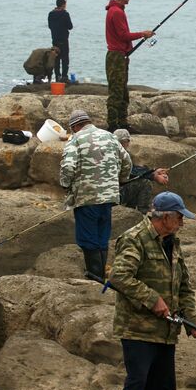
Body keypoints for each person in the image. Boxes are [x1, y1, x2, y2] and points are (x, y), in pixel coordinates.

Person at [100, 191, 196, 390]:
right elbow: (118, 276)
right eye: (180, 217)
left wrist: (192, 320)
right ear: (166, 217)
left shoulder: (172, 243)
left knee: (163, 388)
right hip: (137, 330)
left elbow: (183, 286)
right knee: (136, 384)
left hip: (166, 332)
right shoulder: (135, 238)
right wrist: (152, 300)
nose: (183, 222)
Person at [59, 108, 131, 279]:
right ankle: (100, 273)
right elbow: (127, 160)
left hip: (87, 196)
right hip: (110, 196)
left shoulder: (75, 140)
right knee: (102, 234)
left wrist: (65, 185)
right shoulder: (111, 137)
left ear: (75, 126)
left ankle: (94, 274)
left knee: (87, 236)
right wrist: (120, 179)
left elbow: (68, 167)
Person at [105, 0, 155, 132]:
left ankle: (122, 123)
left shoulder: (115, 10)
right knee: (116, 92)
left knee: (122, 91)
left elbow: (122, 36)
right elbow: (123, 36)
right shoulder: (117, 12)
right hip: (116, 57)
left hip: (120, 56)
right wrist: (142, 34)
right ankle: (113, 125)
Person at [113, 128, 169, 212]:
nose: (125, 144)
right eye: (123, 142)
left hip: (109, 194)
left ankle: (130, 212)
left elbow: (134, 169)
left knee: (135, 182)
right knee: (144, 183)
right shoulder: (118, 154)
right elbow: (131, 172)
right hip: (113, 196)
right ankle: (143, 212)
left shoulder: (114, 152)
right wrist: (154, 176)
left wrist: (154, 171)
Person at [48, 0, 73, 82]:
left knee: (56, 59)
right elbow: (70, 26)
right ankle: (64, 77)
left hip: (55, 39)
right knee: (65, 59)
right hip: (63, 39)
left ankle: (57, 76)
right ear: (63, 5)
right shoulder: (65, 14)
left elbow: (50, 26)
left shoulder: (51, 14)